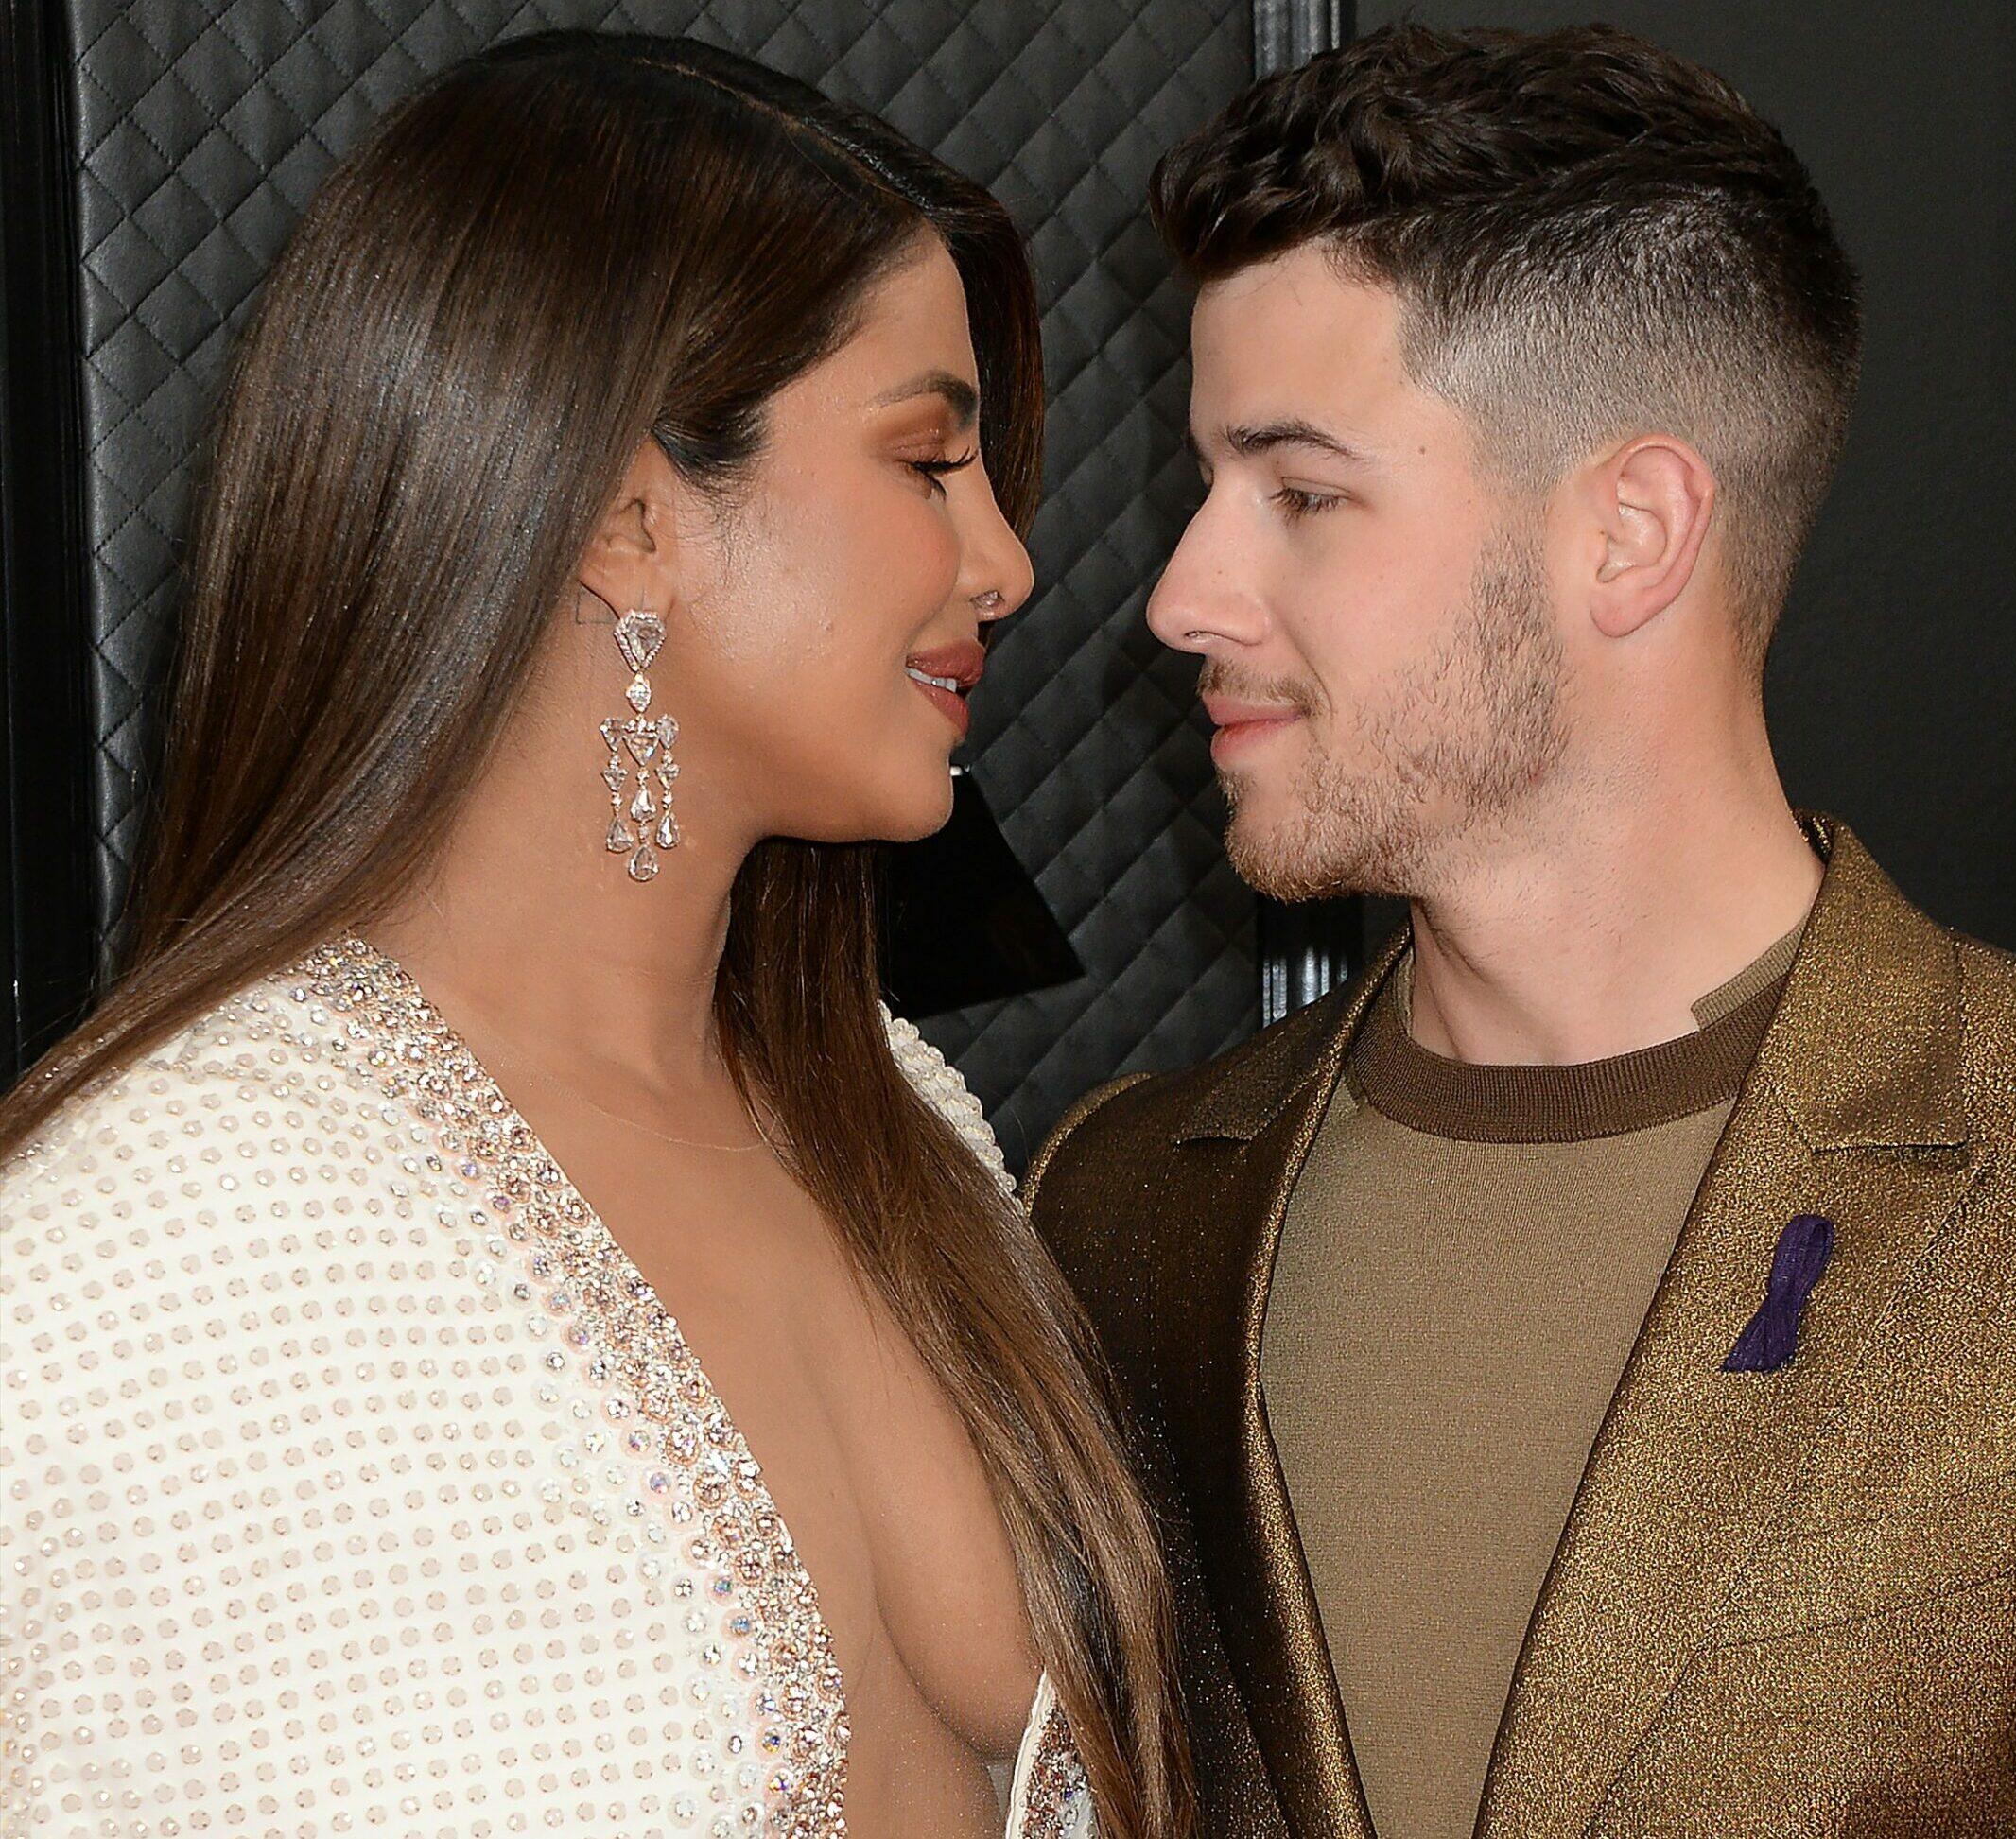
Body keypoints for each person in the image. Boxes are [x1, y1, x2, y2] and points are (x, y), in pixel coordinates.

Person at [0, 32, 1190, 1839]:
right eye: (930, 461)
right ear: (629, 515)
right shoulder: (147, 1251)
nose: (1006, 561)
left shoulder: (908, 1115)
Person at [1027, 22, 2016, 1839]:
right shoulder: (1124, 1203)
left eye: (1300, 493)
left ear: (1629, 531)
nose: (1182, 594)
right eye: (1207, 488)